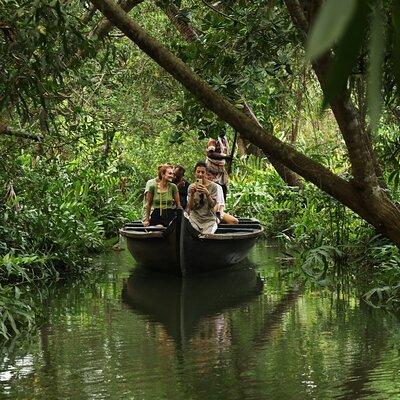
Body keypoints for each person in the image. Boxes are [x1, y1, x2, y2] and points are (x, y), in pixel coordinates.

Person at [187, 161, 219, 234]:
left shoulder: (213, 186)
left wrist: (207, 193)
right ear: (195, 173)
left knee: (206, 236)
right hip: (195, 219)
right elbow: (191, 207)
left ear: (206, 173)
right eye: (198, 172)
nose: (200, 174)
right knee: (193, 234)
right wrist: (192, 195)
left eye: (202, 172)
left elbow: (213, 205)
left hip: (209, 219)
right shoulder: (191, 187)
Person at [205, 131, 231, 200]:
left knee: (223, 188)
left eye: (224, 129)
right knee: (213, 189)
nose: (223, 131)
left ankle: (222, 206)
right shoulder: (213, 139)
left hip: (221, 169)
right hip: (211, 169)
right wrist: (225, 157)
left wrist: (227, 158)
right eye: (221, 129)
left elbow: (225, 154)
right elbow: (210, 154)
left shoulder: (224, 140)